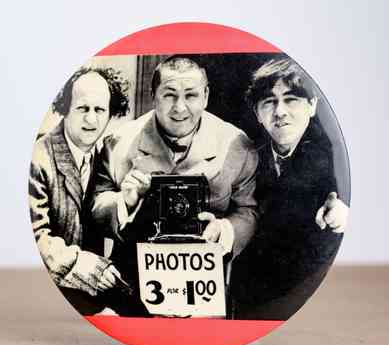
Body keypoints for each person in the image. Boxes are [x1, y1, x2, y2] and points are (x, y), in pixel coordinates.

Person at [91, 56, 258, 317]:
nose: (180, 108)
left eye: (191, 95)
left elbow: (248, 209)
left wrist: (224, 229)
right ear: (153, 96)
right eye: (169, 95)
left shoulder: (236, 146)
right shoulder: (118, 143)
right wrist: (124, 201)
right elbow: (96, 204)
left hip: (206, 283)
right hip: (132, 281)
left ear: (206, 96)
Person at [231, 59, 349, 320]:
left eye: (291, 99)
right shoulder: (248, 157)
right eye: (269, 102)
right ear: (257, 113)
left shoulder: (336, 157)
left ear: (312, 105)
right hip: (254, 299)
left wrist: (342, 215)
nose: (280, 112)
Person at [29, 66, 141, 315]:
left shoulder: (104, 155)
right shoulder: (38, 158)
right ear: (65, 108)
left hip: (92, 293)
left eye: (99, 110)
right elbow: (35, 241)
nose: (91, 120)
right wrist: (81, 263)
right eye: (82, 109)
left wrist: (127, 201)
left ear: (111, 113)